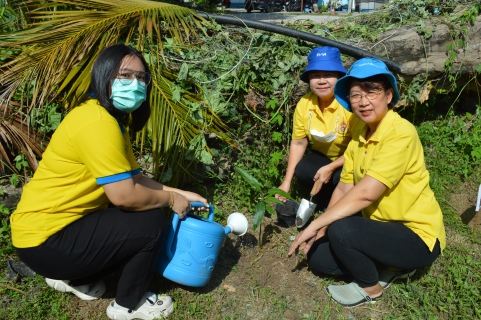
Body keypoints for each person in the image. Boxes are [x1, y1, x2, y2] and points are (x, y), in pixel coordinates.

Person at [10, 44, 208, 320]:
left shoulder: (107, 118)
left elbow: (135, 179)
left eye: (142, 78)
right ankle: (129, 304)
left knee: (136, 212)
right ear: (104, 76)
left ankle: (72, 277)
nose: (135, 84)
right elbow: (125, 196)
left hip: (45, 234)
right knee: (149, 221)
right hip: (46, 241)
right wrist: (172, 200)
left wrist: (179, 191)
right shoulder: (97, 123)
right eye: (125, 75)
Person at [286, 58, 446, 307]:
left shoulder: (400, 133)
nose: (363, 101)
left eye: (372, 91)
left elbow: (365, 194)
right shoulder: (360, 135)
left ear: (389, 95)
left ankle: (371, 288)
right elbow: (344, 186)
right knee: (318, 257)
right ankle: (392, 264)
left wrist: (318, 223)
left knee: (343, 229)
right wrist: (321, 231)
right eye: (355, 94)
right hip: (380, 227)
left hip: (415, 235)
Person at [276, 46, 363, 226]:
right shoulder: (305, 104)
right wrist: (286, 182)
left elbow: (360, 147)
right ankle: (326, 200)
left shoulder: (349, 105)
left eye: (328, 74)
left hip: (351, 158)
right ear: (308, 79)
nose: (322, 81)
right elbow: (299, 143)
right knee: (303, 170)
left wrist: (331, 167)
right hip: (323, 157)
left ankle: (347, 207)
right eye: (315, 75)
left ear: (339, 77)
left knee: (343, 176)